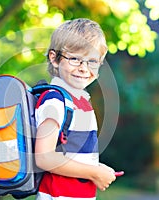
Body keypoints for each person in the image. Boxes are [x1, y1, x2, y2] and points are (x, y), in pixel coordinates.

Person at [34, 18, 117, 199]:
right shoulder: (56, 101)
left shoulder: (79, 101)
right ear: (54, 58)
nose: (83, 68)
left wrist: (97, 169)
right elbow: (44, 157)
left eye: (92, 61)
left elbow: (74, 156)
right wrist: (94, 173)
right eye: (75, 59)